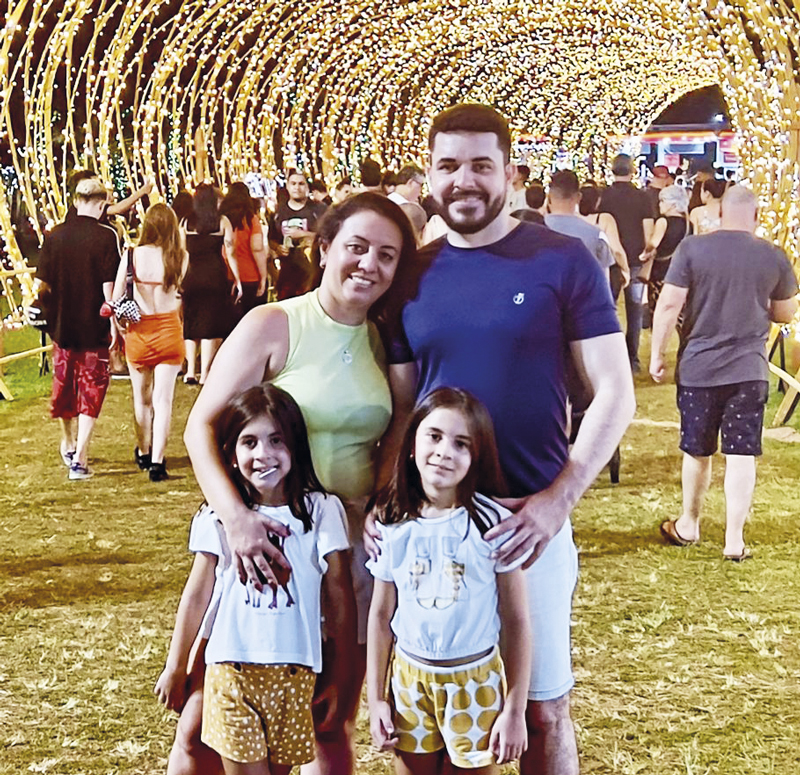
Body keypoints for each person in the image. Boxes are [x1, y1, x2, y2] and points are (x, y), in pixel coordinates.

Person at [372, 103, 635, 775]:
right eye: (449, 165)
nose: (464, 180)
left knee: (542, 712)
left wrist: (557, 500)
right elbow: (403, 409)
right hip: (433, 530)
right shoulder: (410, 275)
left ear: (511, 174)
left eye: (480, 166)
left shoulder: (563, 260)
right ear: (430, 174)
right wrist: (383, 501)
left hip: (526, 523)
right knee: (431, 716)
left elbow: (615, 390)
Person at [175, 192, 418, 775]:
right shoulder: (274, 323)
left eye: (387, 255)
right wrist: (237, 520)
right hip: (263, 545)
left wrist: (383, 503)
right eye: (356, 247)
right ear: (325, 248)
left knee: (329, 723)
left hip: (346, 552)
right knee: (204, 726)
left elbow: (399, 428)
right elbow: (199, 428)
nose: (369, 264)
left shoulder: (386, 340)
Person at [155, 384, 355, 775]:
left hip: (297, 678)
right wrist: (176, 666)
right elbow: (197, 595)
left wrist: (340, 674)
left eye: (276, 440)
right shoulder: (218, 518)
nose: (263, 454)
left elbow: (340, 595)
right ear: (231, 455)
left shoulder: (322, 511)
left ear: (295, 446)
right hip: (232, 673)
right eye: (249, 442)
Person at [367, 387, 532, 773]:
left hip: (474, 686)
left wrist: (515, 708)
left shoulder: (493, 526)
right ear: (412, 444)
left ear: (476, 457)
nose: (444, 451)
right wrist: (376, 700)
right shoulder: (392, 523)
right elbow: (380, 616)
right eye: (434, 436)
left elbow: (517, 620)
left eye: (461, 444)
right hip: (409, 684)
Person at [650, 185, 798, 561]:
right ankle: (734, 540)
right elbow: (785, 312)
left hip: (699, 368)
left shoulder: (692, 248)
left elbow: (668, 304)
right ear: (757, 216)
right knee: (742, 453)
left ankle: (689, 523)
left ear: (719, 213)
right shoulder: (773, 255)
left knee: (697, 450)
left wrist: (657, 354)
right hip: (749, 369)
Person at [36, 177, 121, 479]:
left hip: (61, 325)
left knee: (64, 387)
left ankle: (68, 441)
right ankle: (80, 457)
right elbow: (109, 286)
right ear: (101, 204)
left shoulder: (54, 236)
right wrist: (114, 323)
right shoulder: (107, 236)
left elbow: (41, 283)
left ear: (75, 201)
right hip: (94, 324)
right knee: (92, 388)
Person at [113, 203, 188, 481]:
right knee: (163, 400)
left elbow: (117, 297)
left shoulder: (132, 255)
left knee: (141, 399)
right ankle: (157, 461)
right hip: (169, 329)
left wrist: (118, 329)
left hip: (139, 331)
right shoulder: (180, 257)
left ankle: (143, 451)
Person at [598, 153, 655, 372]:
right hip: (636, 258)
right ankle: (632, 358)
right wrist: (647, 254)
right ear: (632, 170)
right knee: (635, 310)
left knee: (607, 309)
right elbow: (648, 229)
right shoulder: (642, 197)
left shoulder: (603, 195)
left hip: (609, 259)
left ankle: (609, 357)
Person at [181, 184, 236, 385]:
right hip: (214, 276)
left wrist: (180, 278)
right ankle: (205, 373)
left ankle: (190, 371)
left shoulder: (186, 222)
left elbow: (182, 253)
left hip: (192, 276)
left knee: (191, 321)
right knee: (210, 325)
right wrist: (237, 278)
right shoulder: (222, 222)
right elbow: (230, 252)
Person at [545, 170, 615, 278]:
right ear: (578, 197)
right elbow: (604, 280)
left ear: (549, 197)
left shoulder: (531, 232)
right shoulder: (596, 235)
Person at [270, 170, 327, 300]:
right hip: (287, 275)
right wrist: (278, 248)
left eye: (301, 184)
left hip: (313, 274)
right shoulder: (278, 212)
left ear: (307, 187)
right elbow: (271, 239)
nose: (297, 187)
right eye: (293, 183)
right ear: (288, 186)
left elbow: (329, 236)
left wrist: (305, 234)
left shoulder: (319, 209)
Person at [219, 182, 270, 316]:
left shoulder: (221, 220)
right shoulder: (250, 219)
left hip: (225, 275)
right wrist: (263, 276)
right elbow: (257, 248)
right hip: (250, 276)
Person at [639, 184, 689, 318]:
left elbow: (653, 243)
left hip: (661, 271)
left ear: (672, 204)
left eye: (662, 201)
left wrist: (646, 252)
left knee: (658, 310)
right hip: (682, 271)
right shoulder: (689, 224)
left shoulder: (663, 222)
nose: (659, 204)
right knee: (679, 311)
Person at [578, 185, 629, 287]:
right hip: (600, 273)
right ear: (597, 201)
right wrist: (625, 269)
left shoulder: (572, 218)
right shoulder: (604, 219)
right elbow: (616, 250)